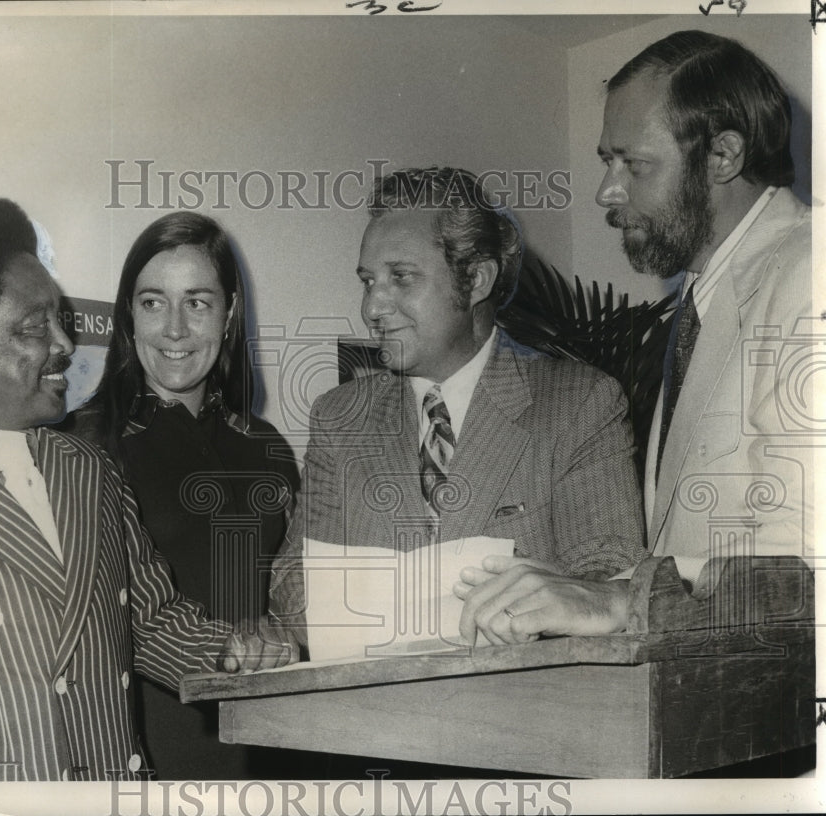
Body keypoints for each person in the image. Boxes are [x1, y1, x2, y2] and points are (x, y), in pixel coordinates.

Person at [0, 198, 293, 782]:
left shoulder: (87, 467)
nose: (66, 343)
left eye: (60, 319)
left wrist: (235, 649)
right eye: (35, 327)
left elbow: (153, 621)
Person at [456, 30, 815, 646]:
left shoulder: (812, 273)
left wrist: (622, 596)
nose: (607, 192)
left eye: (634, 164)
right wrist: (592, 584)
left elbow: (813, 560)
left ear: (723, 156)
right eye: (606, 161)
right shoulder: (706, 296)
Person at [268, 166, 647, 642]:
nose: (372, 307)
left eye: (401, 278)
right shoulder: (340, 416)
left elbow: (609, 581)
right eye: (368, 281)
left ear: (477, 280)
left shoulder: (579, 403)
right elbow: (290, 587)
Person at [67, 212, 300, 778]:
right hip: (144, 755)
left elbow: (292, 599)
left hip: (272, 748)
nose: (174, 328)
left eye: (197, 302)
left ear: (229, 313)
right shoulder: (80, 445)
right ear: (129, 314)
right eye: (153, 302)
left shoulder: (267, 446)